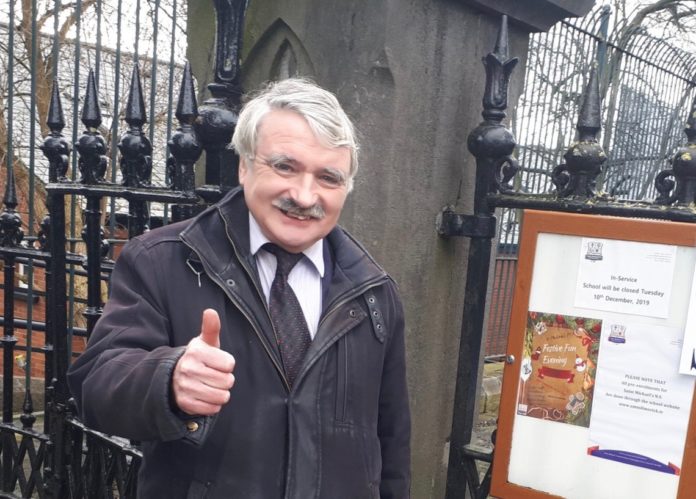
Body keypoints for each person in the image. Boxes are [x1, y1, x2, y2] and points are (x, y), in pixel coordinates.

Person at [67, 78, 411, 499]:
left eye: (328, 177)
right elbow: (96, 383)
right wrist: (168, 379)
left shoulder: (374, 292)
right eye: (285, 166)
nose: (304, 196)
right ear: (244, 166)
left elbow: (391, 441)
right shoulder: (162, 260)